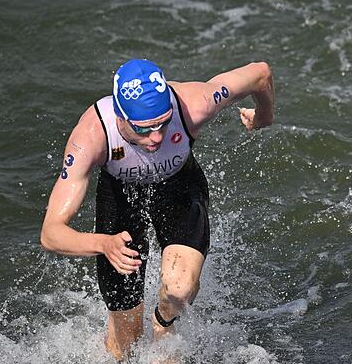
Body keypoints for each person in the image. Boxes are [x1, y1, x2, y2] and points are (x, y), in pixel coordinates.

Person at [40, 59, 274, 359]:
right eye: (145, 129)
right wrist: (103, 244)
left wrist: (264, 116)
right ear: (120, 117)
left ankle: (163, 322)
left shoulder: (194, 104)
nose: (157, 137)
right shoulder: (92, 136)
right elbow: (51, 233)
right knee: (125, 346)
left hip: (178, 187)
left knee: (179, 289)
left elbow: (260, 73)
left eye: (163, 123)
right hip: (120, 200)